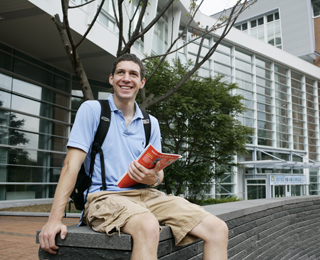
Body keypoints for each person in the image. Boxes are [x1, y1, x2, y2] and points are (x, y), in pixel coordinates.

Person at [38, 53, 229, 260]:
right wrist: (54, 219)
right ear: (111, 79)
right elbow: (70, 166)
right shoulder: (92, 110)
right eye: (121, 72)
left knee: (218, 229)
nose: (126, 78)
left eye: (133, 74)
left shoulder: (150, 123)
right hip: (104, 197)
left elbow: (158, 174)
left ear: (141, 82)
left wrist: (152, 178)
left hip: (148, 196)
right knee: (148, 226)